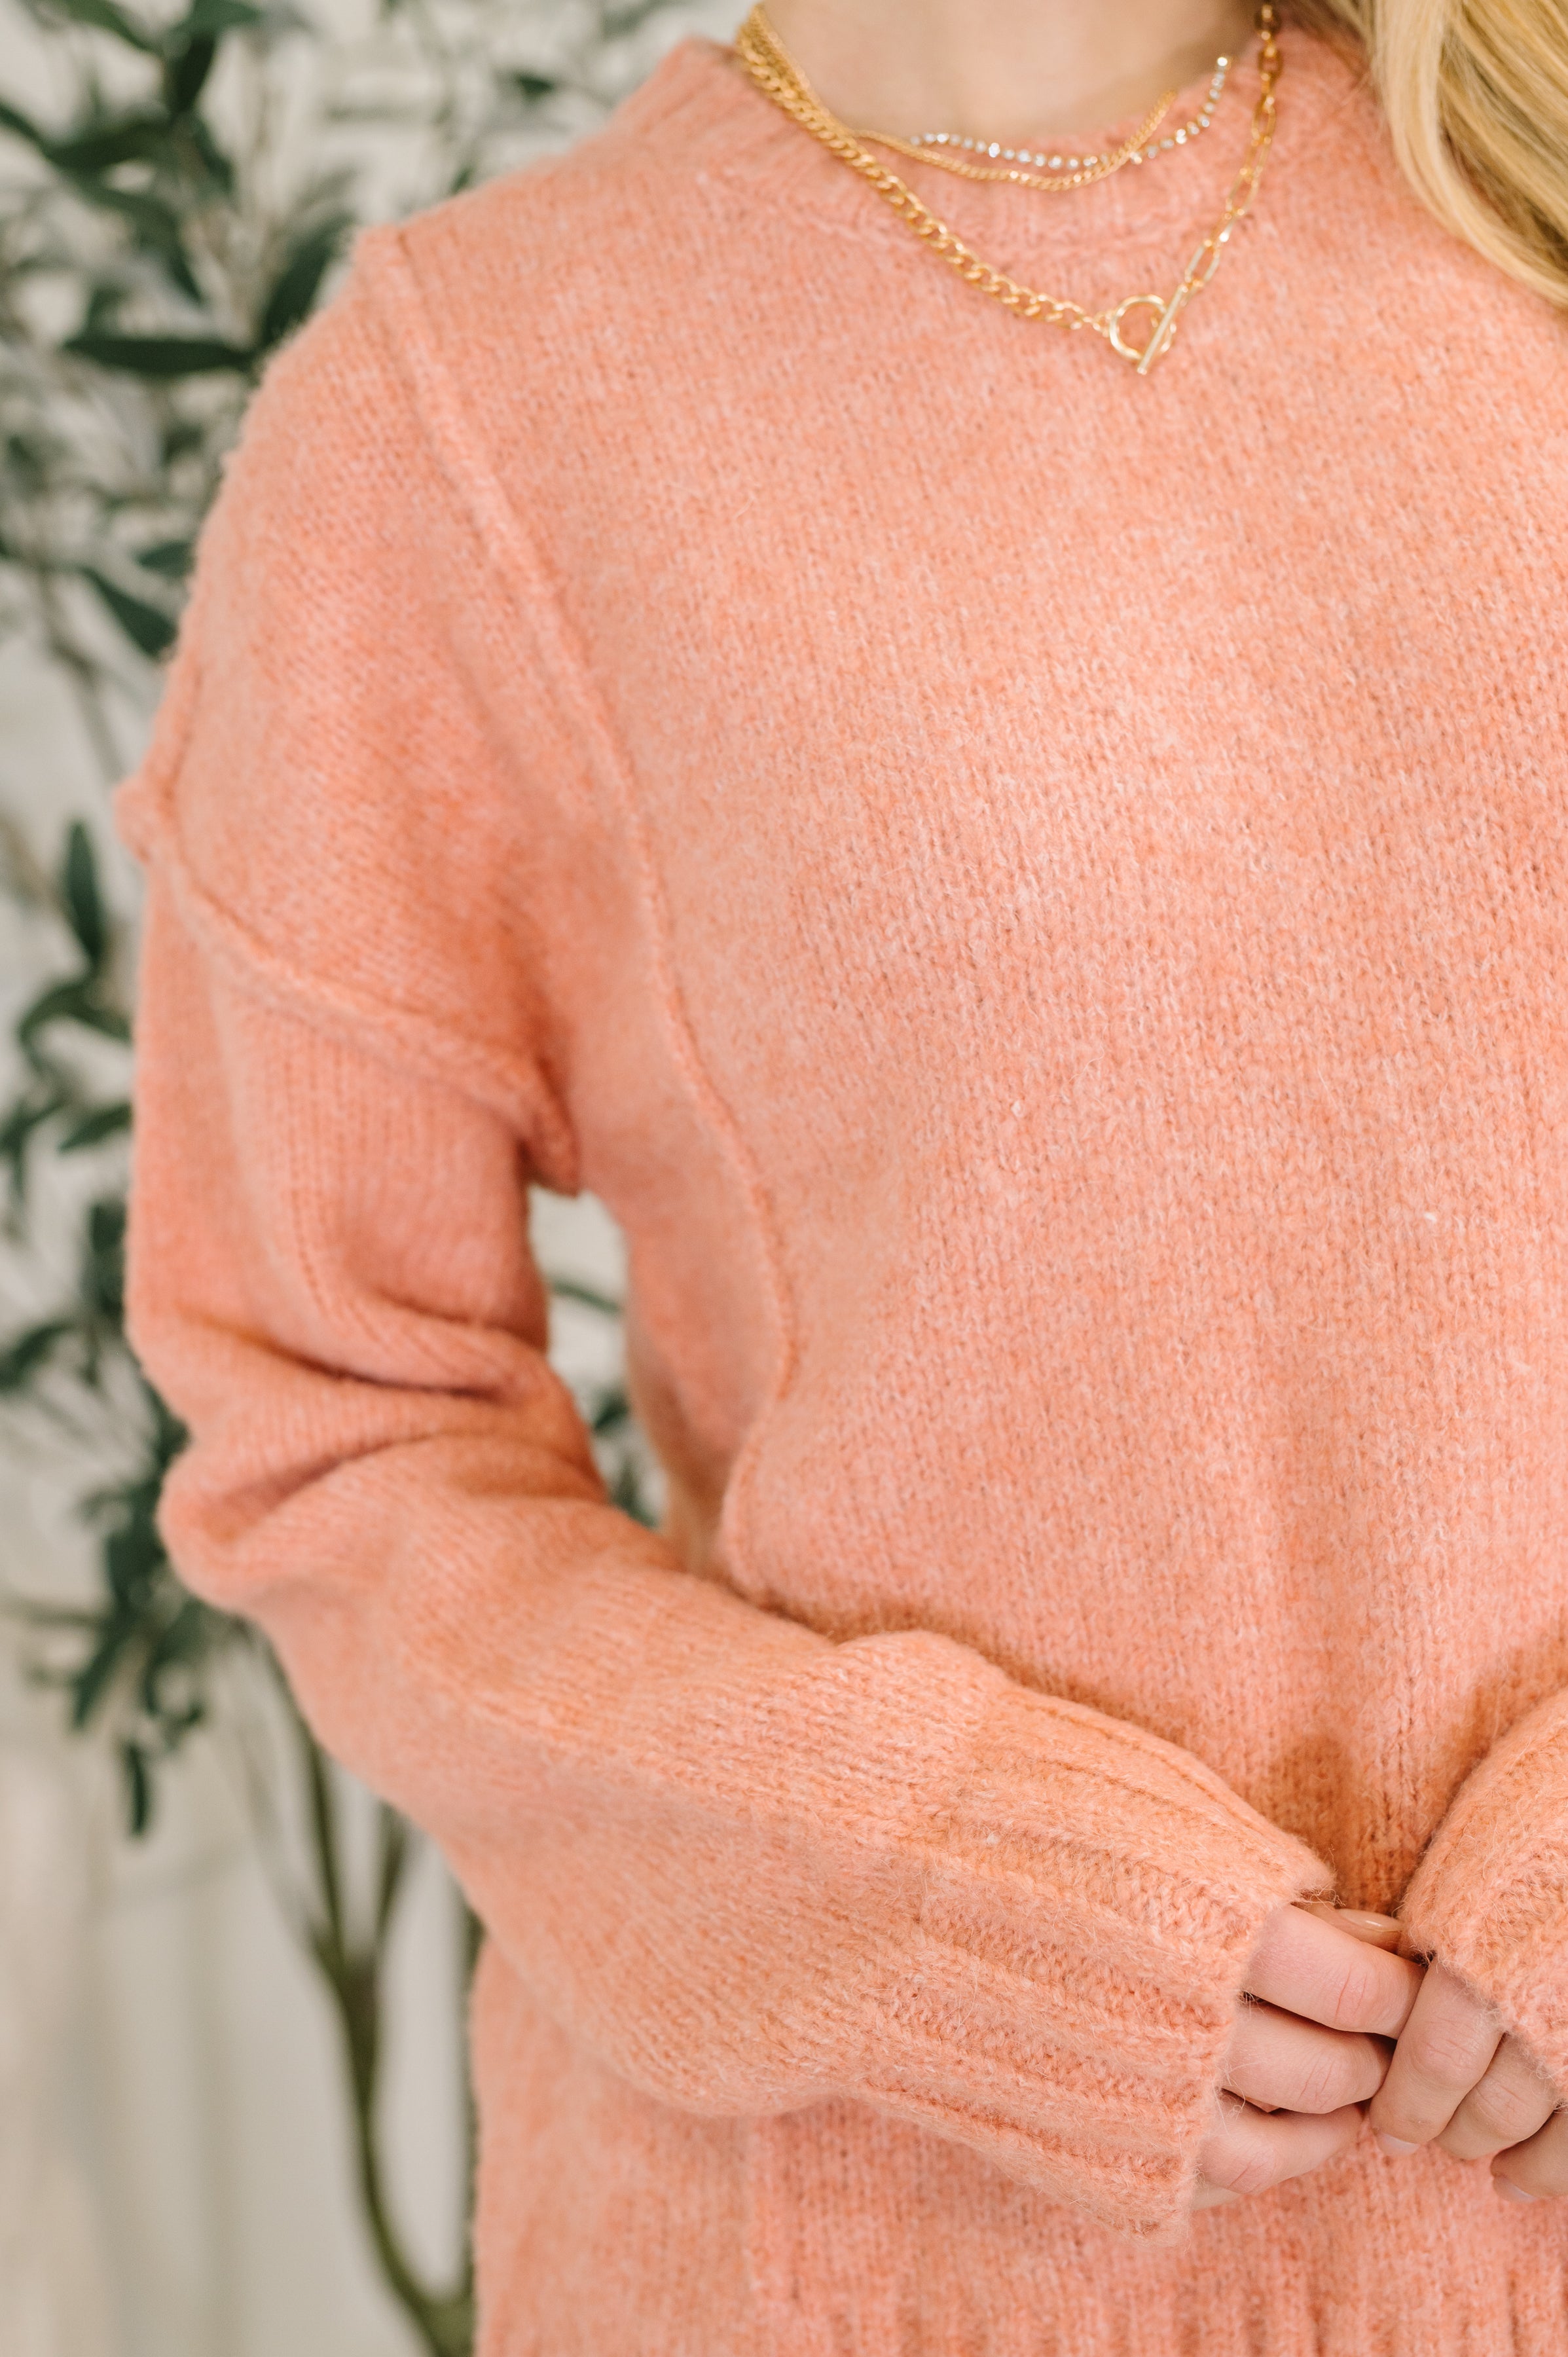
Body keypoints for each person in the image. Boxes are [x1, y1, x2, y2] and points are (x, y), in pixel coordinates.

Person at [112, 0, 1568, 2339]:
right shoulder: (464, 410)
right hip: (884, 2254)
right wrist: (916, 1882)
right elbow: (323, 1427)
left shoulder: (1518, 180)